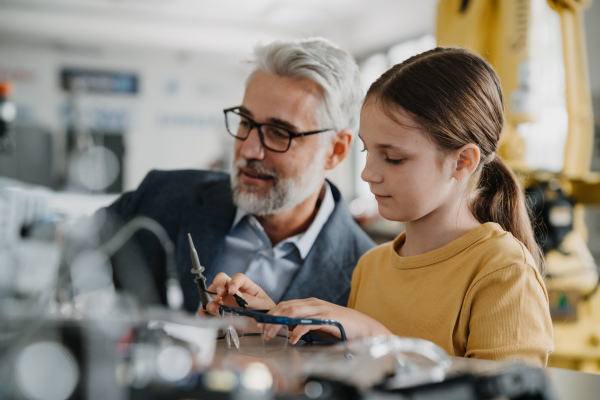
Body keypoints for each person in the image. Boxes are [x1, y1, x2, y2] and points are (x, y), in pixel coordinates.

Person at [206, 47, 554, 367]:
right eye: (367, 151)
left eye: (393, 158)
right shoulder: (370, 266)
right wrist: (276, 322)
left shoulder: (504, 273)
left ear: (462, 162)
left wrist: (379, 340)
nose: (368, 173)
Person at [101, 37, 375, 313]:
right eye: (245, 122)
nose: (249, 149)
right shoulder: (162, 196)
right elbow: (70, 257)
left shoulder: (368, 275)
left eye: (279, 133)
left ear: (336, 151)